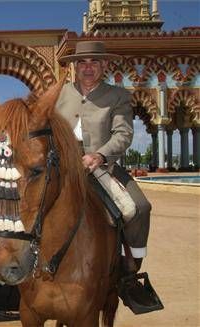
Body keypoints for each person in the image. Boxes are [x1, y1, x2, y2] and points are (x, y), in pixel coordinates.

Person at [56, 40, 159, 313]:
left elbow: (123, 134)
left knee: (140, 208)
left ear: (104, 65)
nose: (87, 68)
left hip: (101, 167)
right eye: (82, 63)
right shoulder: (59, 94)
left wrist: (99, 156)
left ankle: (129, 271)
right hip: (63, 168)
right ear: (74, 67)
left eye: (93, 62)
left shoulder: (118, 96)